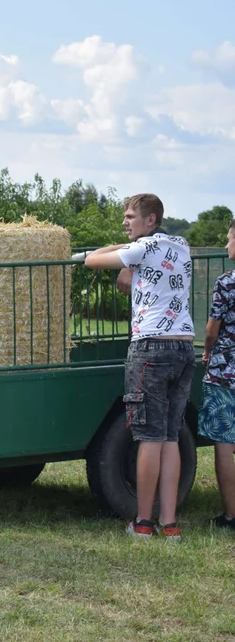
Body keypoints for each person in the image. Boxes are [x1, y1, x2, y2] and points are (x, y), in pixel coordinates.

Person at [85, 193, 195, 541]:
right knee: (170, 436)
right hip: (183, 346)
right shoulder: (180, 244)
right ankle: (171, 523)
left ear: (151, 219)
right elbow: (149, 252)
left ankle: (143, 523)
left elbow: (90, 260)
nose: (125, 221)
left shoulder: (143, 249)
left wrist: (126, 260)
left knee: (148, 437)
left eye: (131, 216)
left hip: (150, 348)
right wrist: (132, 258)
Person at [199, 219, 235, 529]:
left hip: (226, 372)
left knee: (224, 444)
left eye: (229, 239)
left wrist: (208, 351)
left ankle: (231, 516)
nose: (226, 245)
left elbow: (212, 329)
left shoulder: (227, 282)